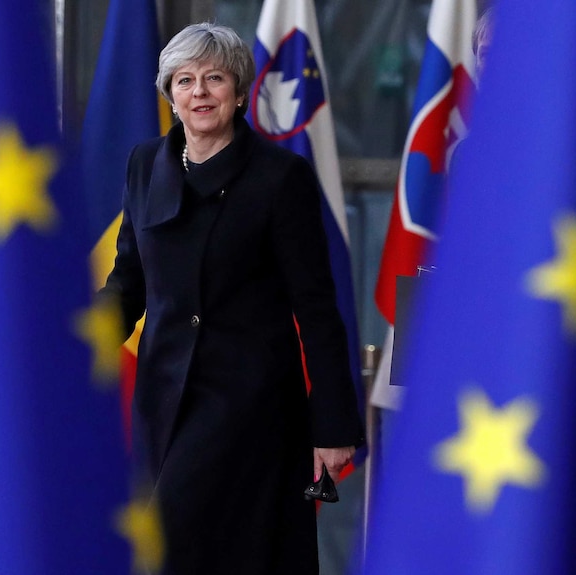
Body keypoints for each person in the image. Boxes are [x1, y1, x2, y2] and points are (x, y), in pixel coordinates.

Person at [100, 22, 364, 575]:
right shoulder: (145, 165)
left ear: (240, 93)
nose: (199, 92)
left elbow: (316, 307)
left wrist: (335, 426)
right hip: (164, 402)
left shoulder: (280, 177)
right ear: (169, 94)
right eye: (185, 80)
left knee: (177, 548)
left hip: (250, 408)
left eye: (214, 79)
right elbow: (128, 282)